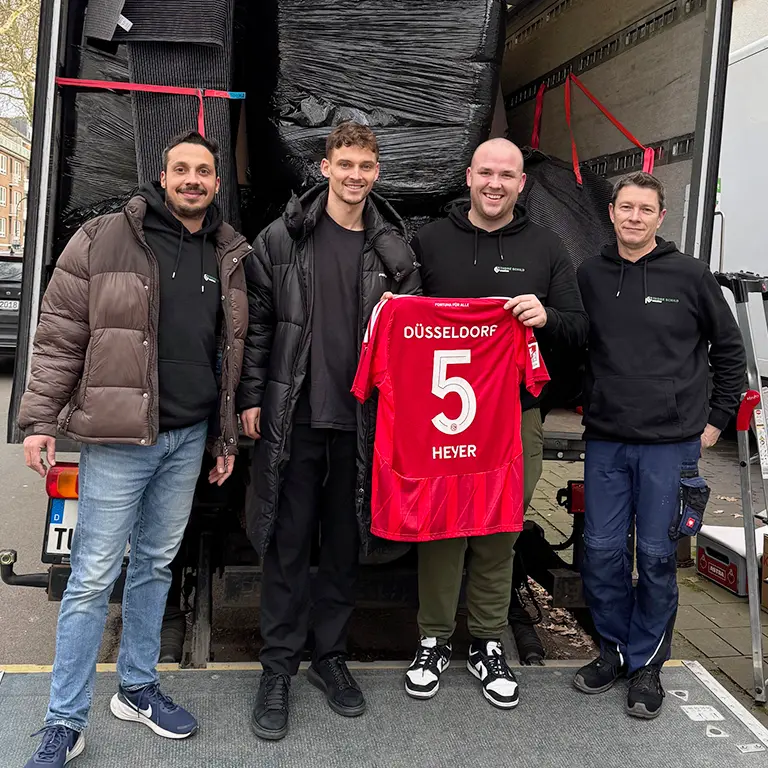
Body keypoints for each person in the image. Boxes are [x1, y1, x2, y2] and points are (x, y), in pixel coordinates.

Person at [18, 131, 250, 767]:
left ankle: (137, 688)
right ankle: (64, 720)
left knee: (154, 563)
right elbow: (61, 332)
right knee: (93, 576)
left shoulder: (228, 251)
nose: (193, 180)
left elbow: (230, 355)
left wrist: (224, 437)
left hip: (189, 436)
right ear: (162, 176)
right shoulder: (102, 238)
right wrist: (39, 420)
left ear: (216, 182)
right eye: (182, 170)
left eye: (204, 171)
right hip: (119, 439)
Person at [238, 121, 421, 741]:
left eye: (365, 166)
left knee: (345, 546)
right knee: (288, 545)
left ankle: (331, 658)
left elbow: (417, 338)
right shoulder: (282, 239)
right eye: (344, 163)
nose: (354, 175)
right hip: (296, 417)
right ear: (324, 168)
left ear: (376, 172)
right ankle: (278, 667)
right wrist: (252, 398)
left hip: (363, 424)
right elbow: (258, 325)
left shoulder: (394, 248)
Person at [400, 138, 588, 708]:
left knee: (498, 531)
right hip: (443, 422)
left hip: (514, 418)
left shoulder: (546, 246)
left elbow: (580, 330)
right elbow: (396, 317)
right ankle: (431, 639)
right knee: (442, 531)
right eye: (486, 173)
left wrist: (546, 316)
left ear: (521, 183)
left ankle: (486, 642)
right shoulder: (428, 242)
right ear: (468, 176)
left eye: (507, 175)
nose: (495, 183)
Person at [573, 171, 745, 719]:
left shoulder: (691, 276)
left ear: (660, 217)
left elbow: (730, 350)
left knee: (654, 557)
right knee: (600, 553)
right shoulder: (589, 275)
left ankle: (647, 665)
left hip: (670, 446)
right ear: (612, 213)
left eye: (645, 210)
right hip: (606, 439)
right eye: (626, 208)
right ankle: (614, 650)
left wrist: (716, 421)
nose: (634, 217)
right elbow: (573, 342)